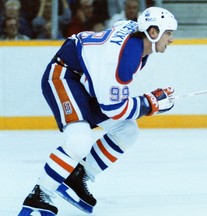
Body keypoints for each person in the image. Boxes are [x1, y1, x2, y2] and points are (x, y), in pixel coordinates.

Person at [18, 6, 177, 216]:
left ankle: (78, 176)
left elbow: (119, 27)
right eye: (168, 33)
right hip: (63, 75)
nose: (171, 39)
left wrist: (148, 103)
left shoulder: (137, 41)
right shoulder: (124, 57)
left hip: (85, 82)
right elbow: (114, 108)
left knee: (127, 131)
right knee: (79, 141)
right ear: (153, 32)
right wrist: (150, 104)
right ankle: (39, 196)